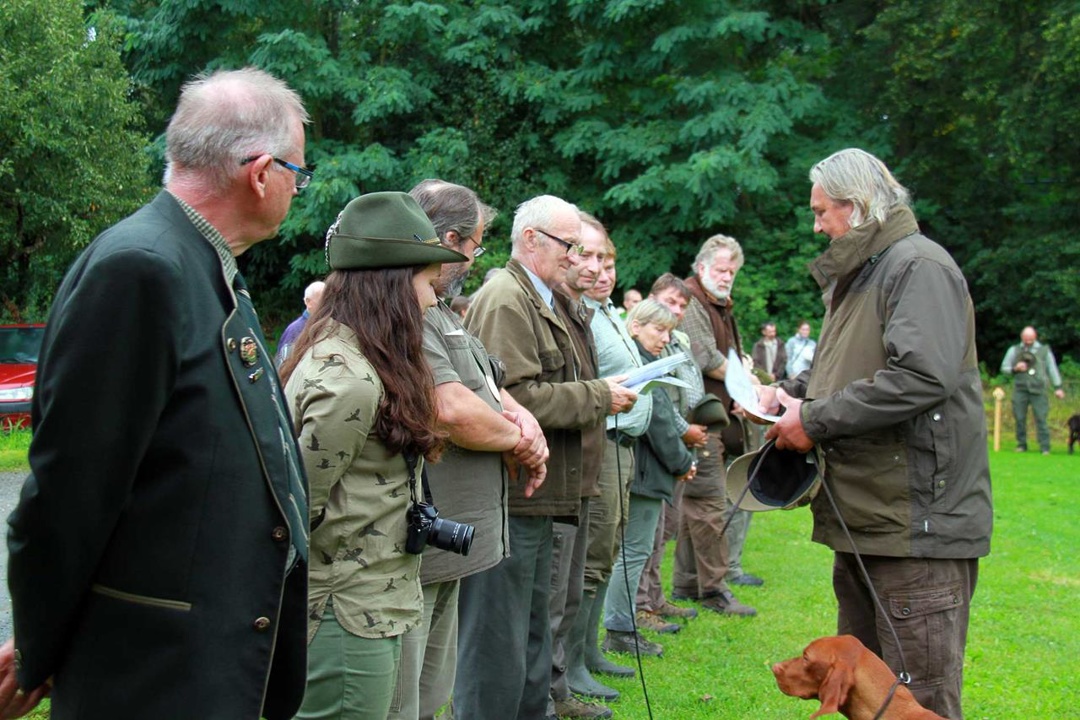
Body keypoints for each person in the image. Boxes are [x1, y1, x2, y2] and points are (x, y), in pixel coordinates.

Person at [2, 68, 312, 720]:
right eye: (297, 173)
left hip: (192, 668)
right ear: (261, 174)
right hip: (154, 679)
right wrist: (37, 648)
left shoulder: (198, 263)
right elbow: (71, 492)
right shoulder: (144, 268)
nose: (297, 187)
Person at [760, 148, 993, 719]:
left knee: (918, 705)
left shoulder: (917, 267)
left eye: (822, 212)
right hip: (870, 518)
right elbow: (847, 368)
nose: (816, 226)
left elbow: (921, 376)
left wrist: (813, 420)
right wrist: (788, 394)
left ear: (858, 205)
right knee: (865, 704)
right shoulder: (865, 274)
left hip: (915, 525)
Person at [279, 191, 468, 719]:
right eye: (426, 284)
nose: (431, 300)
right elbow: (293, 513)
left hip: (370, 604)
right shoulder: (349, 382)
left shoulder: (356, 357)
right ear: (391, 286)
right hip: (345, 613)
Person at [457, 195, 637, 720]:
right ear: (531, 239)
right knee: (498, 640)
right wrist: (600, 396)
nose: (577, 257)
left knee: (533, 633)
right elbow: (510, 400)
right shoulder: (506, 298)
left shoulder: (545, 297)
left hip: (544, 494)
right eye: (569, 245)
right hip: (516, 495)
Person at [386, 180, 548, 720]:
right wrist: (522, 440)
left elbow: (484, 383)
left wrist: (520, 418)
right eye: (476, 244)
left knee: (429, 692)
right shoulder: (406, 307)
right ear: (451, 240)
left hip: (451, 539)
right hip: (422, 538)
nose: (476, 258)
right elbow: (450, 409)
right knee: (403, 696)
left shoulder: (439, 308)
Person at [561, 215, 654, 711]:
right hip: (604, 441)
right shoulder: (581, 314)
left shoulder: (608, 313)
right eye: (591, 258)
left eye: (609, 261)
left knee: (607, 548)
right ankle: (572, 662)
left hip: (624, 445)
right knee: (592, 555)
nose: (602, 270)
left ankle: (589, 650)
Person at [603, 299, 697, 656]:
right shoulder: (638, 362)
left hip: (645, 466)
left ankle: (623, 624)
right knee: (633, 550)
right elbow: (658, 419)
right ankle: (620, 629)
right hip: (644, 467)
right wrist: (682, 462)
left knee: (635, 549)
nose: (664, 338)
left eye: (669, 332)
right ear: (635, 325)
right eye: (659, 329)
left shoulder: (641, 358)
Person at [673, 234, 760, 613]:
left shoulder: (717, 303)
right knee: (709, 503)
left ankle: (686, 584)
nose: (727, 277)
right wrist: (747, 382)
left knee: (698, 504)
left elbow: (727, 355)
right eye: (722, 269)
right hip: (699, 418)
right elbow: (706, 357)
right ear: (702, 266)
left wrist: (742, 381)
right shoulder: (692, 299)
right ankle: (714, 589)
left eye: (732, 272)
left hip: (712, 417)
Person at [635, 274, 706, 629]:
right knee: (645, 536)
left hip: (675, 445)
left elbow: (685, 389)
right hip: (657, 450)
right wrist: (682, 441)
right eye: (670, 301)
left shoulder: (676, 339)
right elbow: (659, 404)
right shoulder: (642, 346)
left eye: (682, 306)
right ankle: (639, 607)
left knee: (664, 529)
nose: (676, 311)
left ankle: (654, 597)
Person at [1000, 326, 1066, 454]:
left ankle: (1045, 447)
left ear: (1035, 337)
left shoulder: (1044, 350)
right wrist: (1015, 369)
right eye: (1026, 338)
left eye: (1031, 338)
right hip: (1020, 389)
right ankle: (1021, 445)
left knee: (1041, 418)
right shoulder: (1014, 350)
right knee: (1019, 418)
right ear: (1022, 337)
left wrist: (1058, 387)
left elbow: (1052, 369)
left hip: (1039, 390)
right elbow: (1004, 368)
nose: (1028, 341)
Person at [275, 280, 325, 366]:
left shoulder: (331, 327)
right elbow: (283, 368)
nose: (329, 305)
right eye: (323, 301)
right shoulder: (295, 331)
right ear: (308, 302)